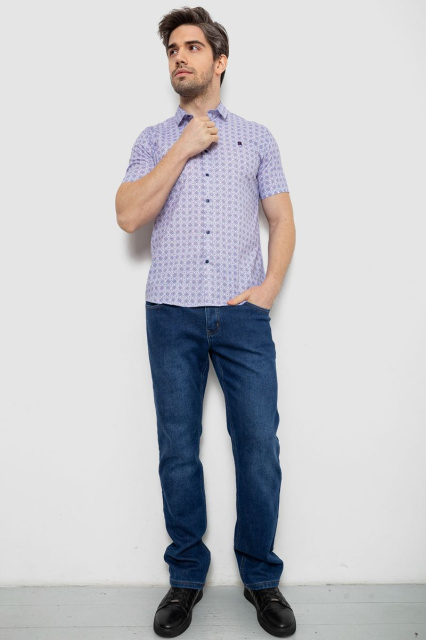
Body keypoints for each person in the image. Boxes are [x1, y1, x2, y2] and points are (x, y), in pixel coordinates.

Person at [115, 6, 296, 638]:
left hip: (243, 315)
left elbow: (283, 219)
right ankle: (186, 577)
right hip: (171, 312)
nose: (179, 57)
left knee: (259, 447)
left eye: (192, 47)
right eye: (172, 50)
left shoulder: (258, 138)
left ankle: (261, 578)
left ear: (220, 61)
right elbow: (128, 216)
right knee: (177, 451)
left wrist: (268, 290)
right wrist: (185, 145)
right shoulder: (152, 139)